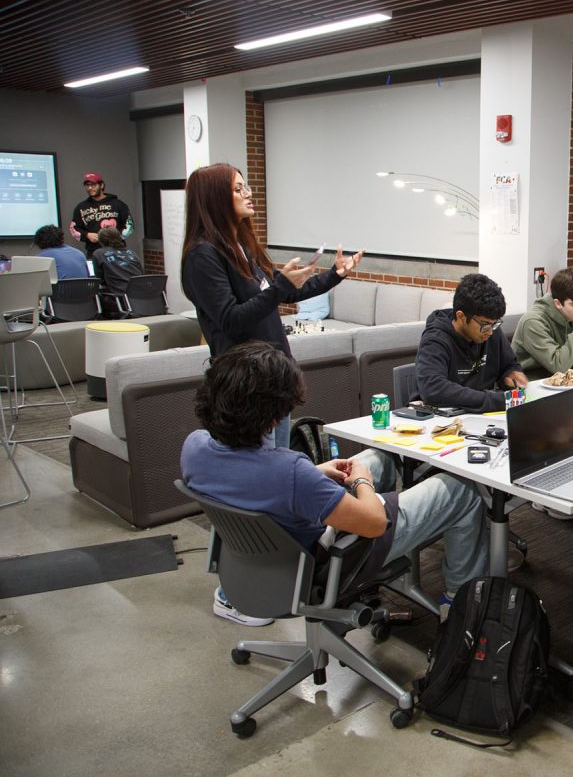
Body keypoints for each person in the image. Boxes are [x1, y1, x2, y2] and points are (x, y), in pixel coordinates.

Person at [181, 342, 488, 626]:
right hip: (326, 567)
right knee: (462, 487)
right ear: (273, 416)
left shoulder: (194, 448)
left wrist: (314, 472)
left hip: (260, 563)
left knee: (379, 458)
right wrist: (361, 483)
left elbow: (253, 482)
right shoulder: (290, 473)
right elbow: (374, 524)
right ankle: (460, 605)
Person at [180, 162, 362, 448]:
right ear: (214, 197)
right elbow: (230, 318)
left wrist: (334, 275)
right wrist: (281, 287)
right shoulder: (203, 255)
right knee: (259, 473)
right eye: (238, 189)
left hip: (273, 378)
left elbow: (281, 294)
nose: (248, 194)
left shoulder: (240, 247)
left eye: (246, 186)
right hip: (245, 386)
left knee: (277, 463)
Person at [414, 273, 527, 413]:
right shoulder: (435, 340)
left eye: (494, 324)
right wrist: (493, 401)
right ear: (461, 316)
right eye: (485, 325)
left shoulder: (490, 330)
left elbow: (509, 365)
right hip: (439, 419)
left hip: (480, 416)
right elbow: (433, 389)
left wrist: (512, 375)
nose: (490, 332)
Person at [512, 267, 573, 379]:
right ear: (558, 303)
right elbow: (559, 367)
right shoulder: (532, 322)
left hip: (570, 384)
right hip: (534, 387)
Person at [70, 172, 133, 258]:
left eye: (93, 185)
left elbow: (130, 226)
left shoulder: (118, 204)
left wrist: (116, 238)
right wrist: (87, 235)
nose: (90, 188)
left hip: (117, 250)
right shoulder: (81, 207)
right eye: (87, 185)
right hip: (94, 252)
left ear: (101, 185)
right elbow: (74, 228)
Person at [92, 227, 144, 298]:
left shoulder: (99, 254)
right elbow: (141, 273)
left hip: (119, 299)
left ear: (101, 241)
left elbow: (99, 280)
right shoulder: (131, 253)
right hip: (140, 296)